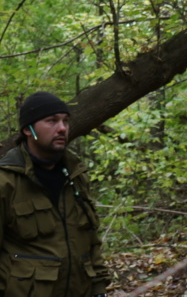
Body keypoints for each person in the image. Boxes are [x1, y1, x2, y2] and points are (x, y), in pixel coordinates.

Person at [0, 91, 109, 297]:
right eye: (51, 121)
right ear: (27, 129)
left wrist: (99, 287)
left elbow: (91, 241)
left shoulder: (76, 176)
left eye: (65, 121)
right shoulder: (6, 182)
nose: (62, 129)